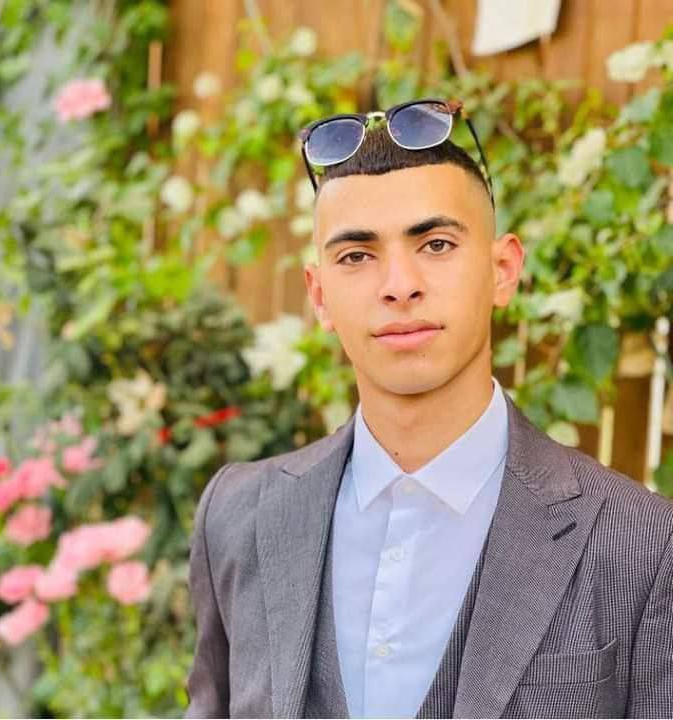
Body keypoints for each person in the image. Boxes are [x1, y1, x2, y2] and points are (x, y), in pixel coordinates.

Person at [184, 100, 673, 719]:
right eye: (356, 256)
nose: (399, 285)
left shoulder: (644, 545)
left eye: (436, 244)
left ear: (503, 270)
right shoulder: (238, 516)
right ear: (320, 295)